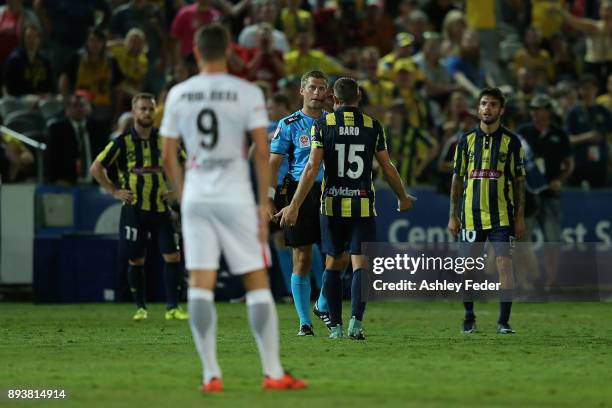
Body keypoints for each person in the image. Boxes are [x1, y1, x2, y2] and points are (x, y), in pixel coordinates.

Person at [160, 23, 305, 392]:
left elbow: (167, 155)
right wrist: (262, 201)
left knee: (200, 283)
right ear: (228, 51)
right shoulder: (246, 92)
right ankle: (273, 373)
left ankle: (211, 375)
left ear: (195, 51)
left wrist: (182, 195)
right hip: (236, 196)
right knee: (256, 281)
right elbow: (260, 151)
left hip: (197, 195)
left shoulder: (179, 93)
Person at [279, 77, 416, 339]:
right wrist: (402, 196)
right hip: (362, 206)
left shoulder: (323, 124)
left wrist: (294, 204)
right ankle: (356, 323)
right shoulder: (372, 126)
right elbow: (387, 167)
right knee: (360, 265)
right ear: (359, 97)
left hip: (332, 206)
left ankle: (337, 328)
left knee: (332, 264)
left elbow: (311, 169)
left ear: (335, 100)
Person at [90, 93, 186, 322]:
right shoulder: (122, 141)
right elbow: (96, 167)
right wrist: (114, 191)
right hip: (135, 208)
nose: (147, 113)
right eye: (143, 109)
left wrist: (176, 191)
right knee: (136, 259)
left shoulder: (164, 139)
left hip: (161, 208)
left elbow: (186, 164)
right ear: (134, 112)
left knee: (173, 255)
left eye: (151, 109)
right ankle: (140, 307)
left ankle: (172, 307)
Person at [448, 87, 526, 335]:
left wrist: (520, 217)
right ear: (478, 108)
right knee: (468, 267)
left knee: (504, 264)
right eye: (483, 104)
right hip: (470, 215)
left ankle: (503, 321)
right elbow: (458, 179)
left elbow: (518, 181)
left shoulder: (512, 142)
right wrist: (452, 214)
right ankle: (469, 316)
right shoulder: (466, 140)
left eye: (493, 104)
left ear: (501, 110)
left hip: (502, 215)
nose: (487, 108)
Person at [269, 70, 330, 336]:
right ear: (302, 91)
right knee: (302, 257)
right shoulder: (289, 123)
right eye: (313, 88)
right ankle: (305, 321)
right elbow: (273, 164)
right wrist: (268, 199)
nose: (317, 93)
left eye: (322, 88)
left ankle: (323, 302)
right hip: (299, 194)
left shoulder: (334, 122)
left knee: (337, 255)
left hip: (333, 191)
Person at [518, 94, 574, 289]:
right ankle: (525, 281)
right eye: (532, 109)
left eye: (539, 109)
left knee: (552, 238)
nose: (534, 112)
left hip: (551, 193)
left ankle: (551, 280)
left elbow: (569, 164)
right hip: (528, 194)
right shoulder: (523, 132)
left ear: (548, 111)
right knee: (523, 238)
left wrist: (560, 180)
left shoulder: (560, 134)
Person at [45, 92, 106, 186]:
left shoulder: (98, 128)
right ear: (67, 109)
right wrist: (55, 180)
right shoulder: (57, 129)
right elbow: (50, 157)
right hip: (67, 184)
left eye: (82, 105)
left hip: (95, 184)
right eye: (75, 106)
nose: (79, 109)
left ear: (89, 107)